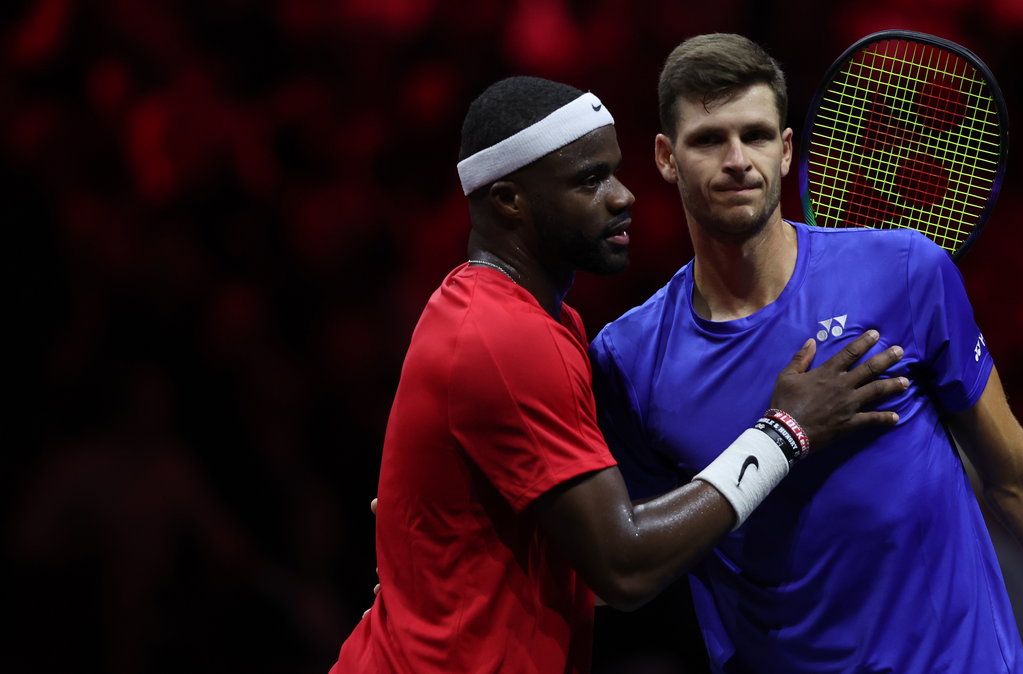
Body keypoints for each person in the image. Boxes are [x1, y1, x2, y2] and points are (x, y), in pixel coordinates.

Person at [588, 34, 1023, 673]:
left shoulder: (905, 270)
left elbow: (1015, 472)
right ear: (666, 157)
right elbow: (629, 562)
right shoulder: (628, 358)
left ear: (787, 151)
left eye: (758, 135)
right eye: (709, 139)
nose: (738, 159)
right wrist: (780, 437)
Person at [327, 75, 911, 673]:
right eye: (589, 180)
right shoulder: (506, 338)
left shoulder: (523, 319)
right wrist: (787, 430)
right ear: (509, 200)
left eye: (614, 170)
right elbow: (625, 565)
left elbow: (591, 564)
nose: (623, 195)